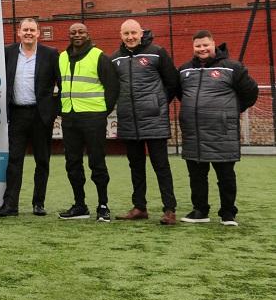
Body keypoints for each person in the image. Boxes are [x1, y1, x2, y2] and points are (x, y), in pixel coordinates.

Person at [177, 30, 258, 226]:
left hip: (221, 132)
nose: (202, 49)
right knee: (196, 176)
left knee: (225, 176)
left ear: (214, 45)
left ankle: (228, 213)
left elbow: (251, 92)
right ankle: (200, 211)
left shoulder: (232, 67)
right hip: (193, 133)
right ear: (193, 47)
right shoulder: (185, 70)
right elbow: (182, 95)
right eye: (198, 46)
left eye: (205, 45)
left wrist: (230, 111)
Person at [111, 20, 179, 225]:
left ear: (141, 33)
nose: (130, 37)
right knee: (136, 166)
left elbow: (173, 82)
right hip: (128, 121)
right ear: (121, 35)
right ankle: (140, 207)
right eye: (126, 34)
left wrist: (156, 104)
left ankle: (169, 210)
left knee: (161, 166)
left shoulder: (157, 52)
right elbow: (113, 88)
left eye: (133, 33)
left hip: (154, 120)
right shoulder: (115, 58)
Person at [0, 18, 60, 217]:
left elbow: (62, 83)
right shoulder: (8, 52)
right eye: (25, 30)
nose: (29, 33)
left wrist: (54, 110)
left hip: (41, 115)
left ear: (38, 33)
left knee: (42, 160)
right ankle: (10, 205)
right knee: (14, 160)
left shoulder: (50, 54)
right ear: (19, 32)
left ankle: (38, 203)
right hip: (17, 114)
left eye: (32, 30)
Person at [57, 22, 119, 222]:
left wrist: (102, 113)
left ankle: (103, 205)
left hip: (93, 118)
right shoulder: (62, 57)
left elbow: (112, 88)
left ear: (87, 34)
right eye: (73, 32)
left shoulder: (99, 56)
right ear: (69, 35)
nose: (77, 35)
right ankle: (80, 205)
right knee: (72, 164)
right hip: (70, 118)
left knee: (97, 163)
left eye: (81, 32)